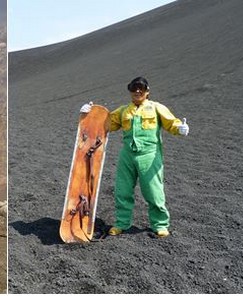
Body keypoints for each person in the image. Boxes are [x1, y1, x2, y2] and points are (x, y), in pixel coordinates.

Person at [80, 77, 189, 238]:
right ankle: (121, 223)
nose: (138, 91)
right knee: (122, 190)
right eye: (134, 88)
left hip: (149, 155)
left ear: (147, 91)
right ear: (130, 90)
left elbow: (171, 123)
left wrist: (179, 128)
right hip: (127, 155)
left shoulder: (156, 108)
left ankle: (160, 224)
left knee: (153, 191)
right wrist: (90, 113)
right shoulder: (124, 111)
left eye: (142, 88)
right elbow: (106, 123)